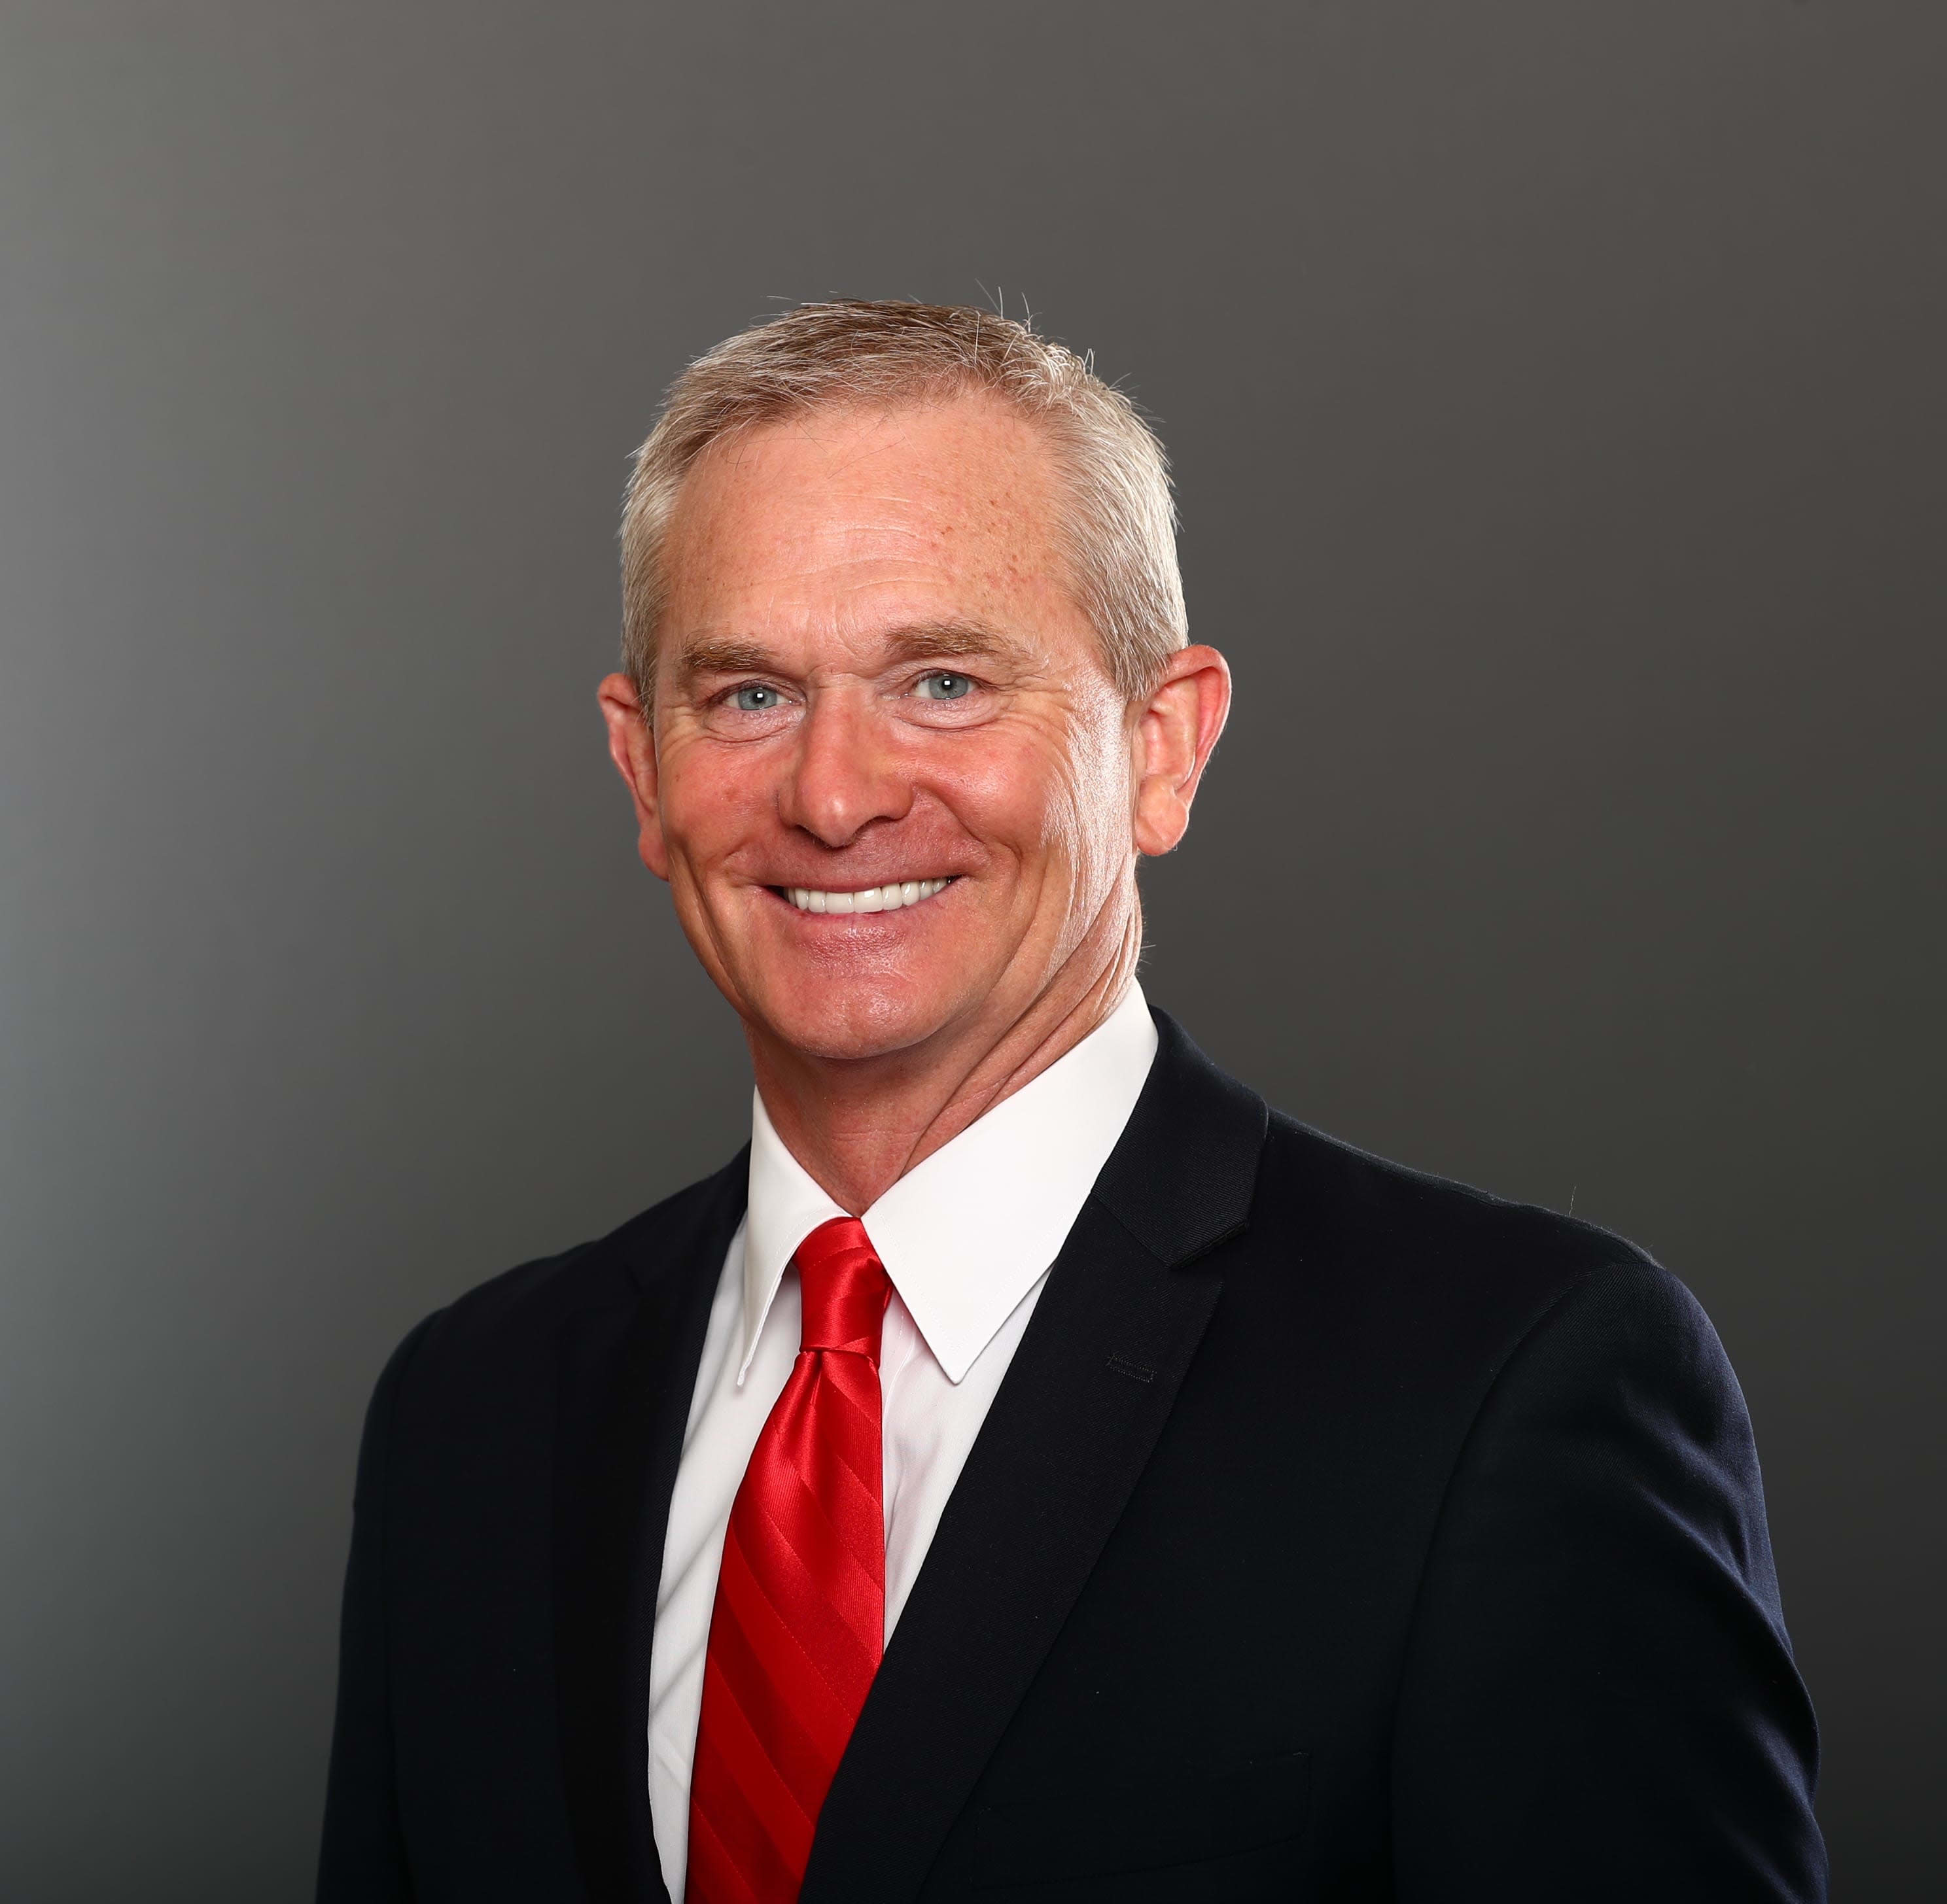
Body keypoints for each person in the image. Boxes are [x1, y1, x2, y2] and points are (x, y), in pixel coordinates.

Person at [316, 302, 1826, 1903]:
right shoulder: (469, 1418)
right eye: (750, 695)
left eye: (945, 681)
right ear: (641, 767)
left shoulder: (1505, 1389)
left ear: (1162, 747)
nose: (833, 793)